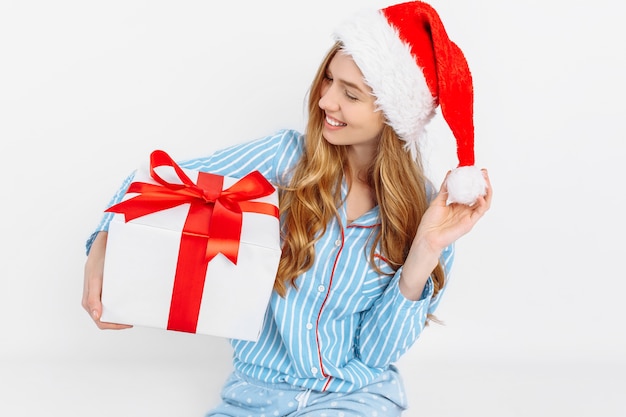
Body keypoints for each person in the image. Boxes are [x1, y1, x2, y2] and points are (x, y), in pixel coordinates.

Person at [82, 1, 492, 415]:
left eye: (350, 94)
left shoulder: (427, 212)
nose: (327, 101)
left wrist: (424, 251)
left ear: (393, 113)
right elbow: (160, 181)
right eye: (328, 80)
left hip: (355, 398)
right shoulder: (283, 159)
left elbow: (374, 354)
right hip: (253, 396)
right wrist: (103, 244)